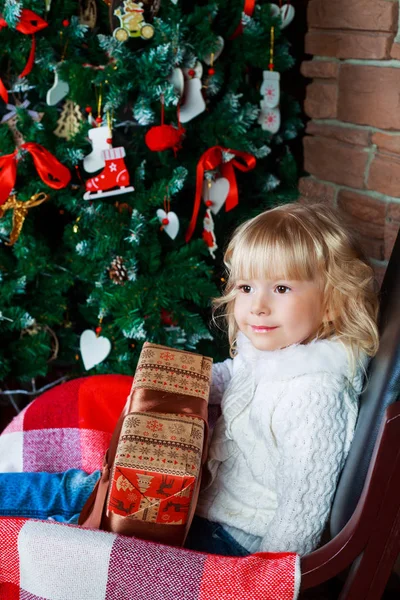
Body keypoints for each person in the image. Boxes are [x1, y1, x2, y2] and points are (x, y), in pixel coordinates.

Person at [0, 203, 379, 558]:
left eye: (281, 288)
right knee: (83, 488)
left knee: (88, 538)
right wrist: (176, 385)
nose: (257, 305)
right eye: (246, 287)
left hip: (232, 542)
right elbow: (233, 377)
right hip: (199, 501)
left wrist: (263, 579)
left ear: (330, 302)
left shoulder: (314, 395)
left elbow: (303, 507)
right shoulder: (271, 350)